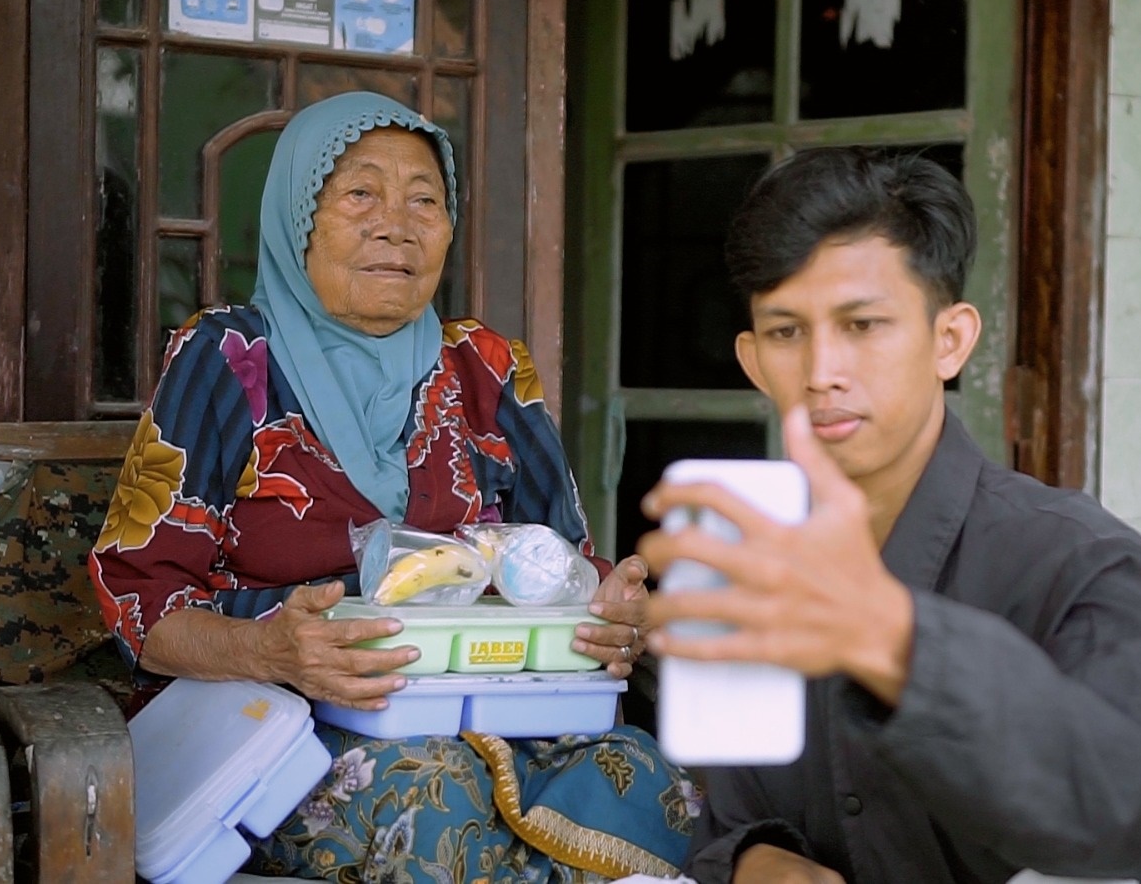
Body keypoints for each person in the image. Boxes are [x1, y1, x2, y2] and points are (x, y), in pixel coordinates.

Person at [90, 90, 697, 882]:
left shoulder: (487, 367)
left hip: (500, 712)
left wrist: (606, 608)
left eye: (425, 200)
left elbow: (562, 563)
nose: (396, 224)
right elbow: (137, 597)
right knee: (437, 797)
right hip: (290, 722)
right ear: (298, 216)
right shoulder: (230, 359)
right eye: (360, 193)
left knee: (649, 776)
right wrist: (269, 649)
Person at [637, 147, 1141, 884]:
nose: (821, 372)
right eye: (787, 333)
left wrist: (889, 634)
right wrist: (757, 862)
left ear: (951, 341)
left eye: (863, 325)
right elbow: (734, 816)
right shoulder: (758, 564)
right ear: (751, 360)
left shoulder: (1076, 560)